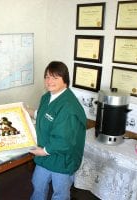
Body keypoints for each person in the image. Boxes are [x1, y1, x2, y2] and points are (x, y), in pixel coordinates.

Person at [26, 61, 87, 200]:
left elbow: (64, 140)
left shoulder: (69, 107)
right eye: (47, 77)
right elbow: (46, 115)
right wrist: (26, 111)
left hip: (62, 159)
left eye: (55, 77)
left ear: (65, 81)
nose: (49, 81)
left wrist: (42, 151)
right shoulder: (47, 96)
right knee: (37, 184)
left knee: (60, 193)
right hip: (45, 154)